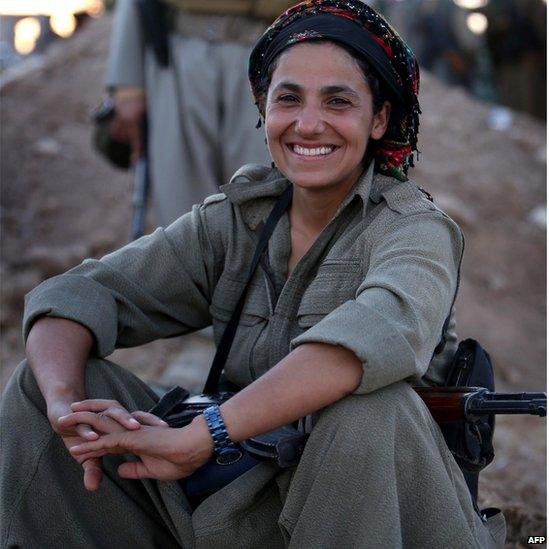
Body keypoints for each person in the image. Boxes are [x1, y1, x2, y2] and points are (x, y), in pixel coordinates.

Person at [1, 1, 506, 547]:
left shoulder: (416, 229)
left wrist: (208, 433)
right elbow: (77, 295)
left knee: (370, 412)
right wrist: (62, 409)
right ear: (264, 108)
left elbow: (368, 340)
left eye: (338, 102)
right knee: (38, 382)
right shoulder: (239, 217)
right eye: (288, 99)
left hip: (367, 514)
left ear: (378, 119)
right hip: (239, 496)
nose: (308, 124)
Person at [106, 0, 294, 226]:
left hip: (282, 52)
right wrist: (128, 83)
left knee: (269, 204)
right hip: (181, 55)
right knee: (183, 212)